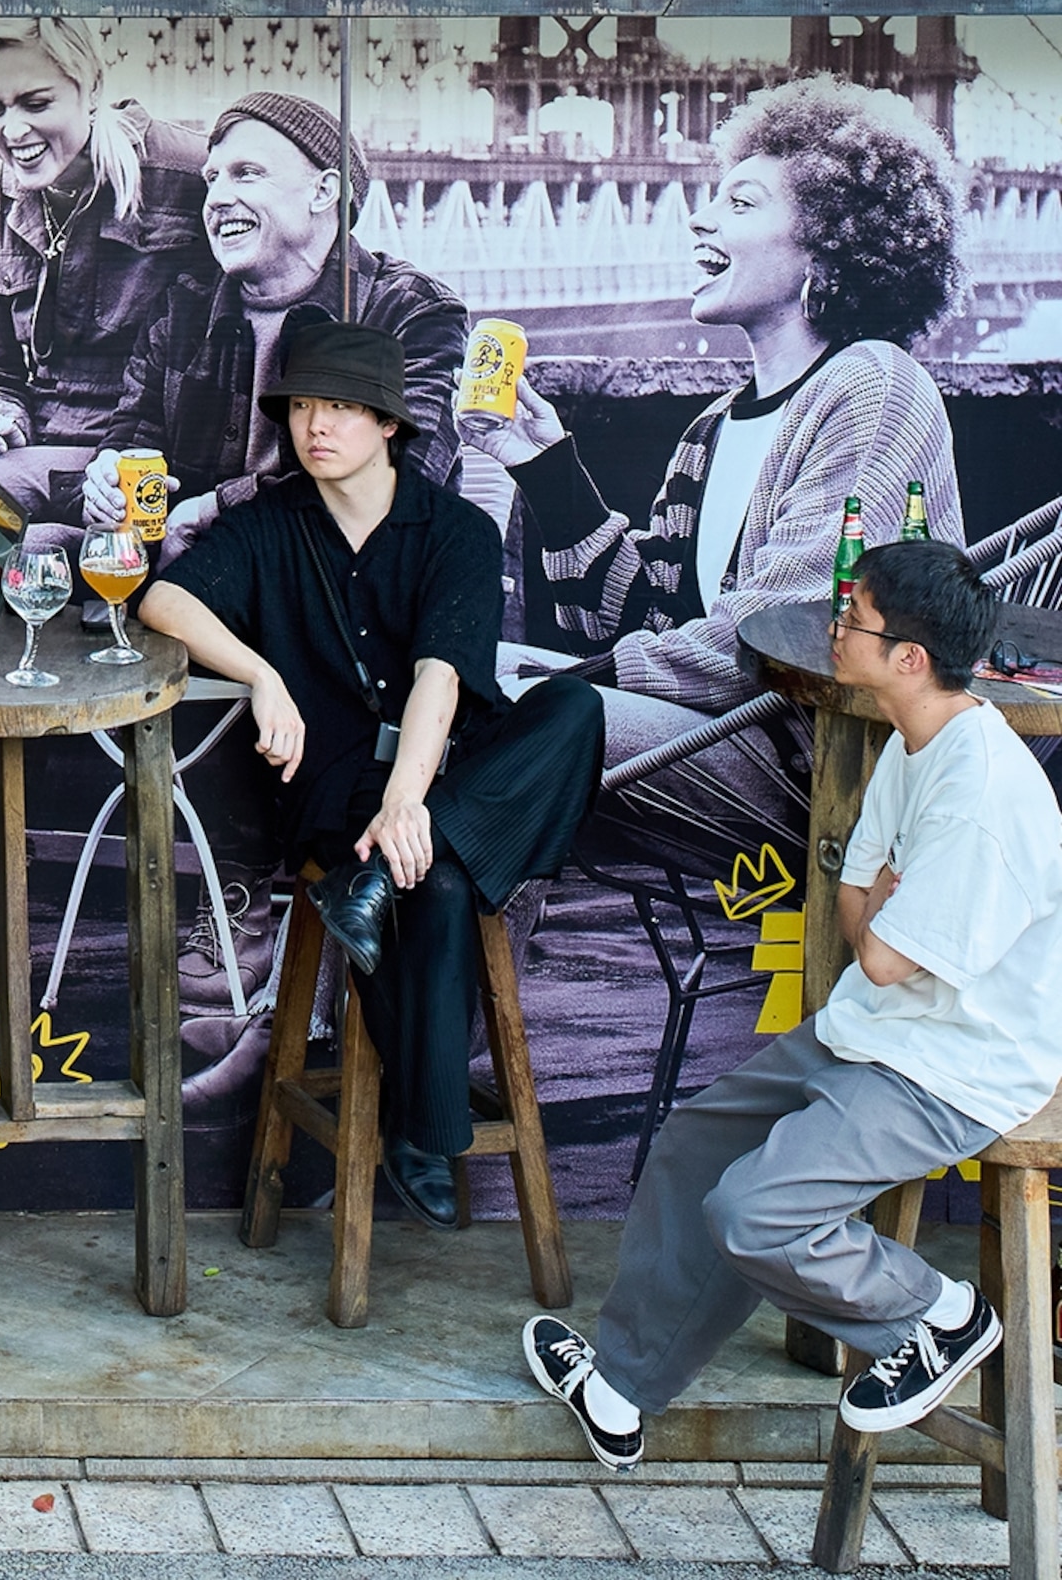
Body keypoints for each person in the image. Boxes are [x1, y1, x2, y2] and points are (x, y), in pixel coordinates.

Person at [523, 542, 1062, 1471]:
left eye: (854, 617)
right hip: (875, 1030)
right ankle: (623, 1387)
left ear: (909, 657)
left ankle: (938, 1315)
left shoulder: (978, 794)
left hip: (952, 1067)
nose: (835, 627)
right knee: (695, 1145)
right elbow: (856, 907)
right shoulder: (912, 739)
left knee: (756, 1213)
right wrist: (880, 904)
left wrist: (879, 908)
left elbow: (881, 955)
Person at [139, 318, 603, 1229]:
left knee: (575, 709)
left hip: (448, 765)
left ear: (389, 423)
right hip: (334, 781)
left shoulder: (456, 530)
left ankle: (377, 883)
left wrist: (407, 805)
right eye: (302, 407)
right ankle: (424, 1129)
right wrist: (263, 676)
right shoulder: (270, 524)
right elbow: (163, 597)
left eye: (343, 408)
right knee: (438, 883)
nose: (316, 426)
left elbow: (441, 675)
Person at [463, 75, 966, 878]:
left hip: (832, 775)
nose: (699, 218)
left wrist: (578, 678)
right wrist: (548, 470)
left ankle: (380, 916)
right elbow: (643, 621)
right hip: (728, 744)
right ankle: (416, 931)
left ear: (828, 244)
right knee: (456, 684)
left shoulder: (873, 385)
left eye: (741, 203)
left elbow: (793, 632)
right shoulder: (716, 425)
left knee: (504, 709)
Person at [76, 91, 467, 564]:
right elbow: (135, 433)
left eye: (247, 173)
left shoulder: (411, 312)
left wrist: (214, 511)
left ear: (324, 191)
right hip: (193, 572)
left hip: (338, 579)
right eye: (212, 179)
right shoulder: (182, 306)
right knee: (38, 550)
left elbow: (396, 485)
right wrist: (108, 475)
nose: (217, 199)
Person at [0, 22, 212, 563]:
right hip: (44, 457)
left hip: (153, 455)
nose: (14, 130)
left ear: (92, 88)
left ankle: (47, 565)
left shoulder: (191, 173)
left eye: (36, 103)